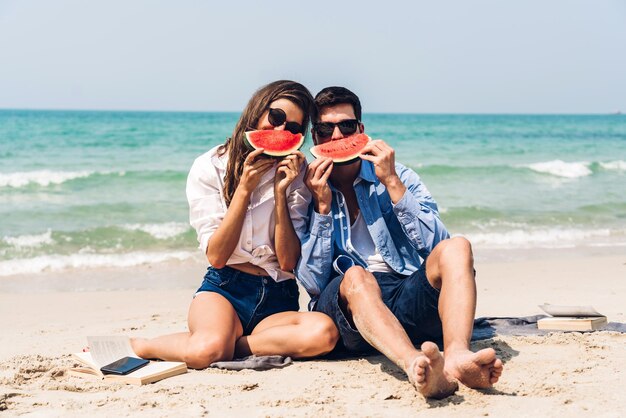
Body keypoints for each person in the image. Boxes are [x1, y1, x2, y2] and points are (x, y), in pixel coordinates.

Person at [296, 86, 503, 399]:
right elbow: (312, 282)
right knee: (356, 276)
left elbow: (438, 248)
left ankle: (458, 357)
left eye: (347, 126)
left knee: (458, 246)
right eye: (326, 129)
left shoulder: (398, 174)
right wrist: (323, 208)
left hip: (405, 295)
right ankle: (414, 364)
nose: (337, 136)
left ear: (361, 131)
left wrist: (392, 184)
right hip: (349, 310)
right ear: (315, 138)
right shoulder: (305, 192)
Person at [131, 80, 339, 368]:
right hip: (225, 289)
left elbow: (288, 262)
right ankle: (143, 345)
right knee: (205, 352)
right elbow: (216, 256)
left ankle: (231, 344)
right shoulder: (210, 166)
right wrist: (244, 189)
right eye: (276, 118)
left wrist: (281, 192)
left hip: (279, 297)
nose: (281, 131)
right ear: (256, 112)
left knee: (324, 333)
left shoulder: (297, 174)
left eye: (293, 129)